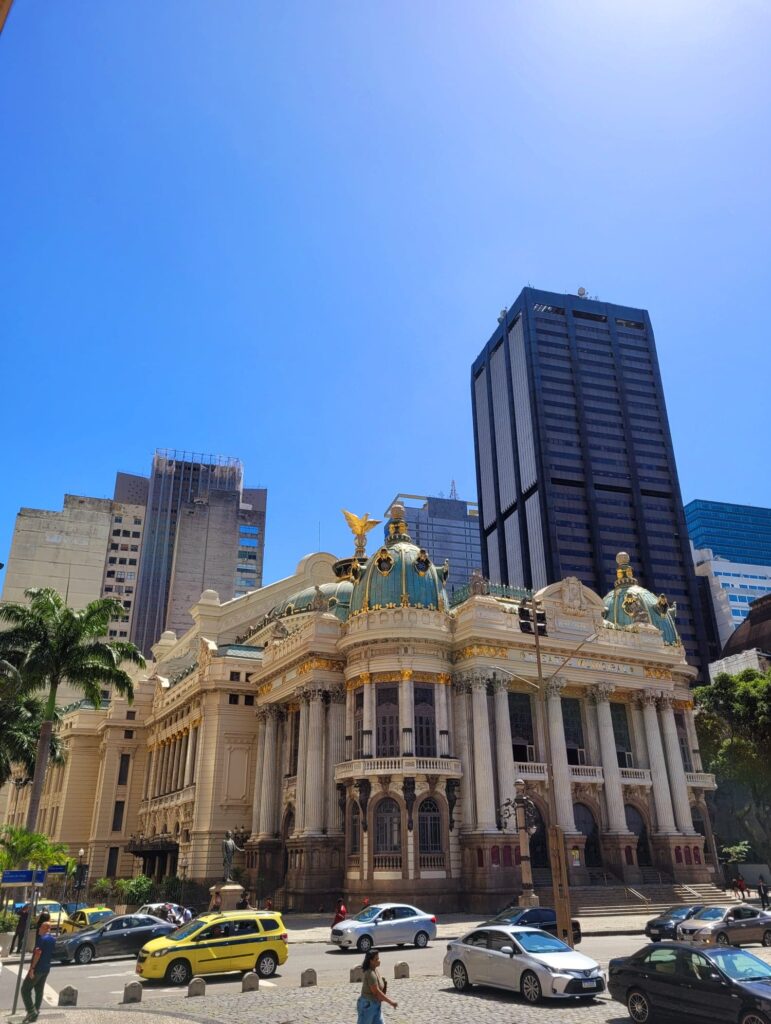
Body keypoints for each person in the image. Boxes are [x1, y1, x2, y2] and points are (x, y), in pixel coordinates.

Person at [21, 920, 56, 1023]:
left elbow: (38, 954)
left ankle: (31, 1011)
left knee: (25, 989)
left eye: (40, 927)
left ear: (45, 928)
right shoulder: (53, 939)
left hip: (38, 969)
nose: (39, 929)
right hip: (46, 968)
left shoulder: (42, 939)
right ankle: (35, 1013)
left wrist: (32, 968)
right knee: (39, 991)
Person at [357, 948, 397, 1024]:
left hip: (376, 1005)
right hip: (368, 1006)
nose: (379, 960)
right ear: (371, 961)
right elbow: (376, 992)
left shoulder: (375, 970)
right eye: (377, 959)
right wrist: (391, 1002)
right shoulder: (370, 974)